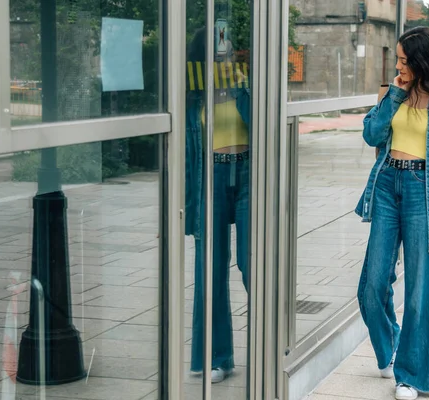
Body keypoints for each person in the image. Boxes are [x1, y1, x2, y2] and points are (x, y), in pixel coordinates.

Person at [355, 26, 429, 400]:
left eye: (406, 61)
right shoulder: (395, 92)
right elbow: (372, 135)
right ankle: (391, 344)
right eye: (398, 60)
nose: (399, 66)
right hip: (389, 185)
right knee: (372, 286)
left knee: (421, 292)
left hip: (424, 193)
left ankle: (412, 375)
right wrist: (395, 94)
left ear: (423, 61)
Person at [185, 26, 251, 384]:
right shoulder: (194, 96)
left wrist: (239, 86)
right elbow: (186, 152)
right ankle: (218, 357)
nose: (225, 59)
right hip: (210, 176)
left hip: (246, 176)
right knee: (209, 272)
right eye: (218, 54)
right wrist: (187, 207)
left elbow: (260, 124)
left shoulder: (244, 85)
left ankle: (264, 345)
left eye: (227, 53)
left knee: (252, 265)